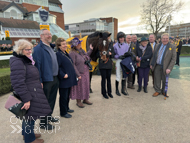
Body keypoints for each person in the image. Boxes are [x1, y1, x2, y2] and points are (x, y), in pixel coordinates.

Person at [10, 39, 51, 143]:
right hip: (28, 94)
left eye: (30, 49)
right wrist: (26, 99)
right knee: (30, 117)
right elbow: (18, 83)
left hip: (33, 91)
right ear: (20, 50)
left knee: (27, 116)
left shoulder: (24, 59)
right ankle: (30, 140)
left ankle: (26, 134)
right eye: (27, 49)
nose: (30, 51)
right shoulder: (18, 62)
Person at [33, 29, 59, 130]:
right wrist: (39, 81)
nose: (49, 36)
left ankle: (49, 117)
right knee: (45, 102)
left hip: (54, 78)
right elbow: (36, 66)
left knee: (52, 100)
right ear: (41, 36)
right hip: (46, 80)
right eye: (47, 34)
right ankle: (43, 123)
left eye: (50, 34)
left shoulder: (50, 47)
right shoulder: (38, 49)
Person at [56, 38, 77, 118]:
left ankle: (67, 108)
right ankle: (63, 112)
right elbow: (57, 66)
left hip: (69, 79)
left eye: (65, 43)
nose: (65, 45)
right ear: (59, 46)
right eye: (63, 44)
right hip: (64, 79)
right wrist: (62, 74)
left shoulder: (65, 53)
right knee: (63, 96)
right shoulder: (58, 54)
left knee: (67, 95)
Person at [69, 37, 93, 108]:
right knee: (79, 87)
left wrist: (91, 49)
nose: (80, 44)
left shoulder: (81, 50)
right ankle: (78, 101)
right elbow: (72, 64)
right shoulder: (72, 53)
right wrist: (77, 74)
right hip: (79, 72)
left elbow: (87, 55)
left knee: (86, 85)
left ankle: (85, 99)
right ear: (75, 45)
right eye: (79, 43)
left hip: (86, 71)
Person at [151, 33, 176, 97]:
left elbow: (173, 59)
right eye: (164, 38)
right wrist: (152, 64)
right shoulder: (157, 45)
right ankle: (157, 91)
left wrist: (169, 68)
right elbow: (154, 56)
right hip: (157, 65)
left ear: (168, 39)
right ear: (161, 39)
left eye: (166, 38)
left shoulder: (172, 47)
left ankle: (164, 91)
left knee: (165, 80)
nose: (165, 40)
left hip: (166, 67)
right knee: (157, 79)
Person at [97, 33, 115, 99]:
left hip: (109, 64)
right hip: (102, 64)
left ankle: (109, 92)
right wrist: (107, 53)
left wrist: (110, 54)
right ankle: (104, 93)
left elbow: (113, 55)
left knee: (109, 79)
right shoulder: (100, 45)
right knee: (103, 79)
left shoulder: (110, 45)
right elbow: (98, 54)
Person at [114, 32, 129, 96]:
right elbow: (113, 55)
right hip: (119, 61)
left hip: (125, 61)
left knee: (124, 76)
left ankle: (123, 90)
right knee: (118, 76)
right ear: (118, 38)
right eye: (120, 38)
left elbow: (129, 53)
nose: (121, 39)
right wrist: (118, 56)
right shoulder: (115, 46)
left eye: (122, 37)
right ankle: (117, 90)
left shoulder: (127, 45)